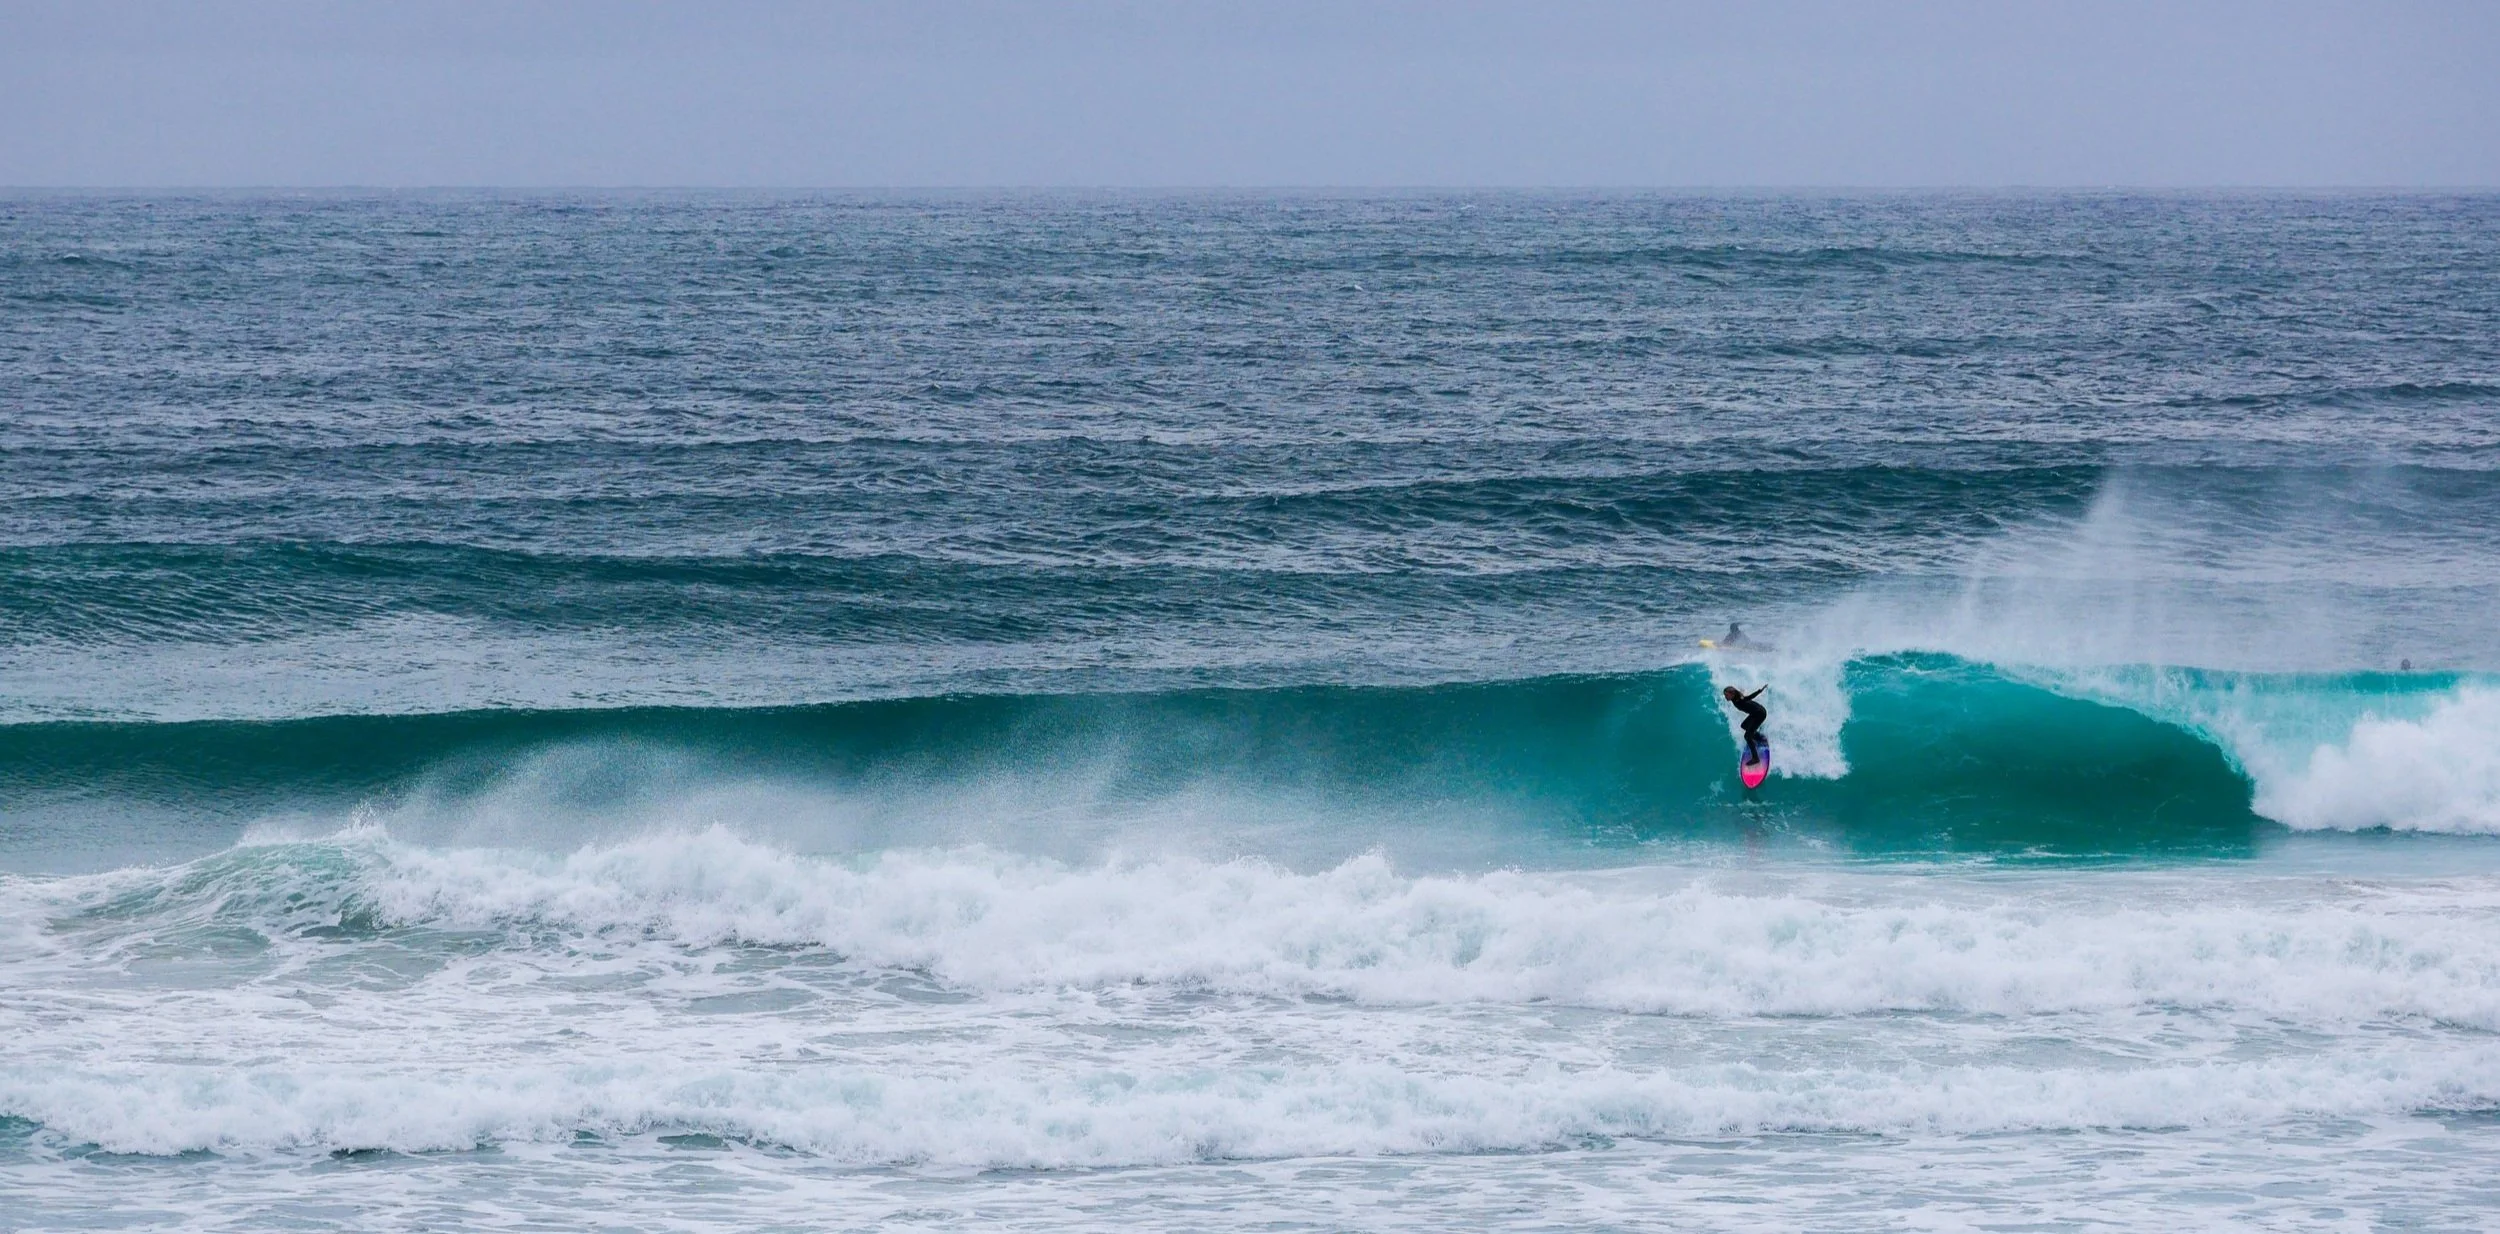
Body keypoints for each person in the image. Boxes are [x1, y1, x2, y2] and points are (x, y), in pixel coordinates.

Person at [1722, 684, 1768, 765]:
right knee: (1744, 726)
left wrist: (1759, 691)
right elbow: (1740, 694)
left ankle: (1756, 759)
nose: (1725, 697)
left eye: (1726, 695)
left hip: (1760, 714)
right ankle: (1759, 738)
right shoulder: (1735, 698)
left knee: (1747, 736)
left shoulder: (1739, 699)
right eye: (1725, 695)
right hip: (1754, 713)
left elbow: (1749, 697)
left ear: (1732, 694)